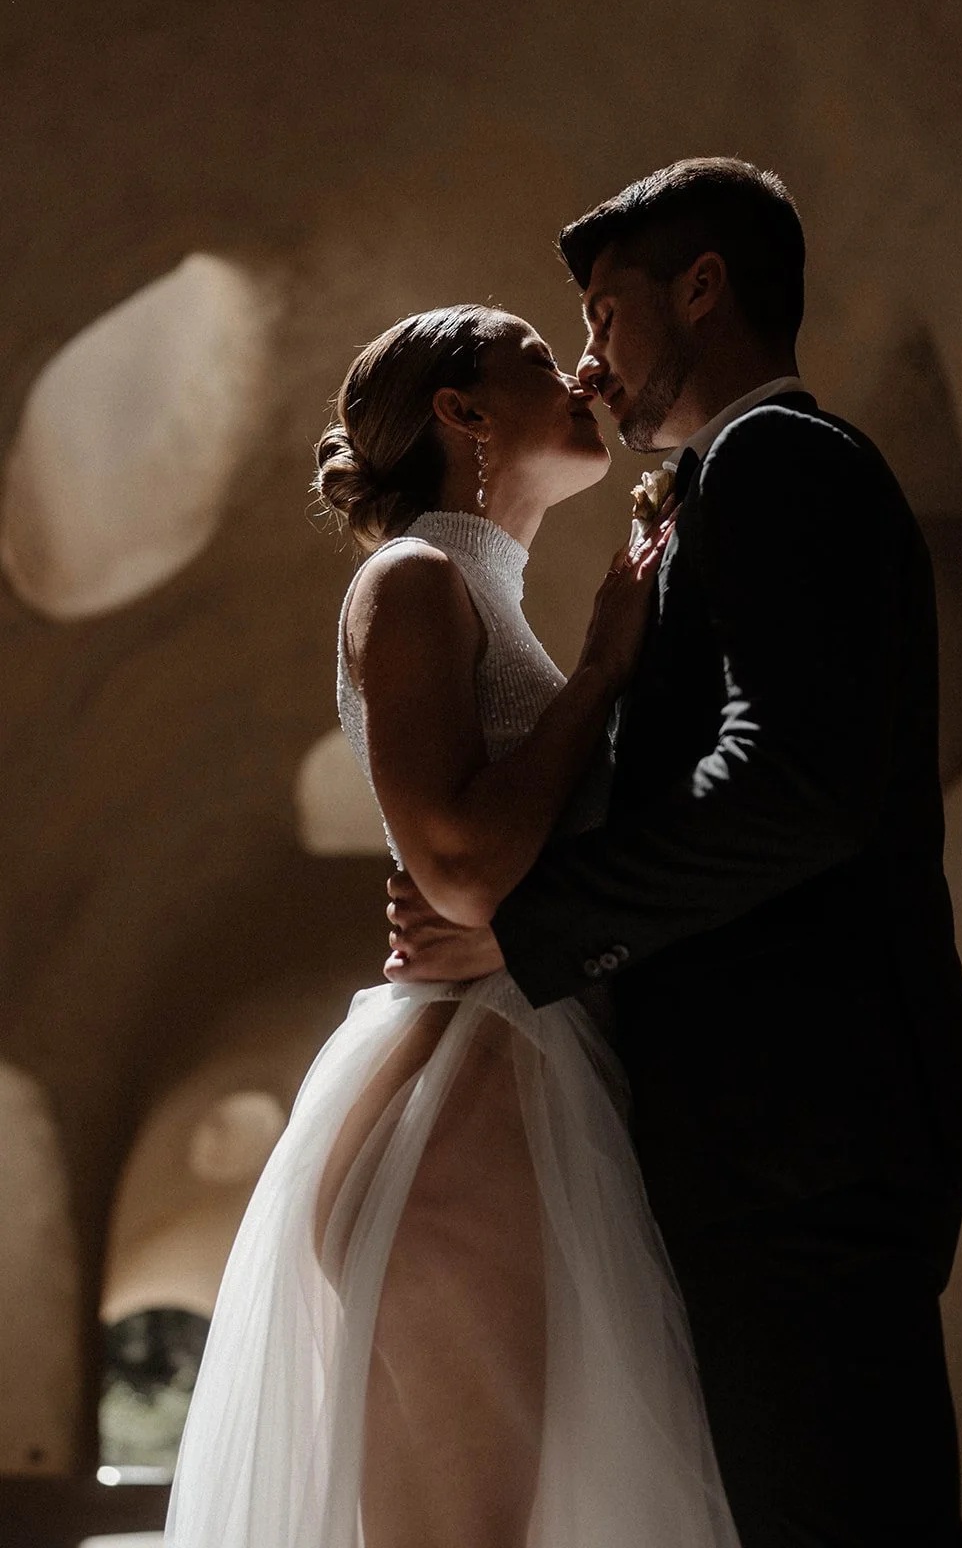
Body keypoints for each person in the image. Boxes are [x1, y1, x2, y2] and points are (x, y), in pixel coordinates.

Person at [386, 159, 962, 1546]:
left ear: (701, 288)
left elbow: (789, 786)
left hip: (801, 1137)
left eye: (601, 312)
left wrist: (527, 932)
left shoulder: (777, 461)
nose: (590, 361)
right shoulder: (726, 484)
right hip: (775, 1140)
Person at [164, 304, 741, 1548]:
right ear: (460, 413)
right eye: (538, 361)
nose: (582, 369)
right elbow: (462, 864)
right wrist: (597, 676)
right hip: (460, 1125)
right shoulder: (414, 578)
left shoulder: (485, 593)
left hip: (494, 1099)